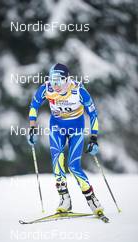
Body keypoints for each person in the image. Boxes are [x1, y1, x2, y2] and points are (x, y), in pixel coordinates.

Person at [28, 63, 104, 216]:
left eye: (58, 81)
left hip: (76, 129)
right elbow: (34, 105)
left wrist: (94, 138)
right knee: (57, 160)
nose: (54, 85)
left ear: (67, 79)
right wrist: (32, 128)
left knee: (73, 166)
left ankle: (92, 199)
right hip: (57, 128)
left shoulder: (78, 90)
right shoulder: (46, 88)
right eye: (52, 80)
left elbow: (93, 114)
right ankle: (65, 199)